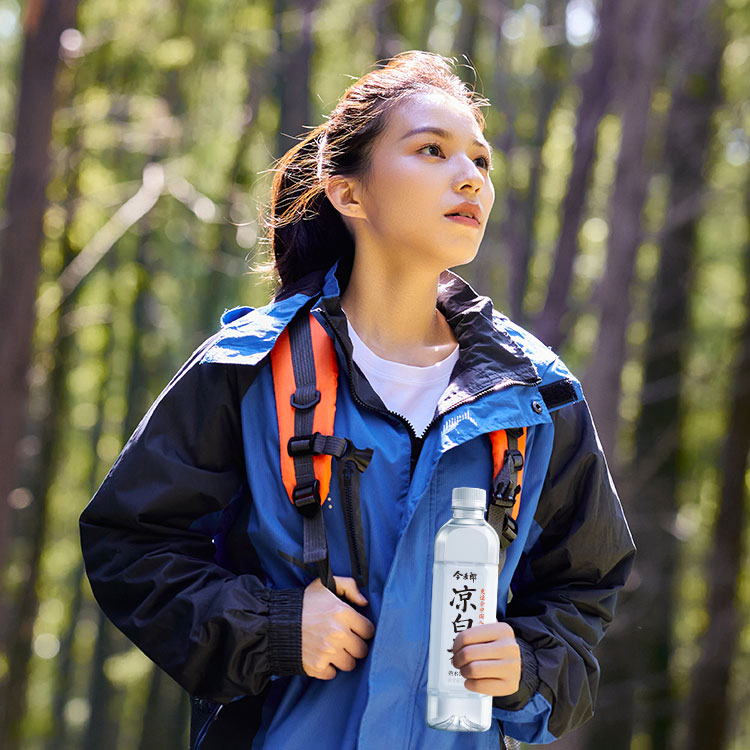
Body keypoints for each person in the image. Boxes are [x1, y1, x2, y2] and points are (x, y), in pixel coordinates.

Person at [79, 50, 635, 750]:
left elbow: (587, 583)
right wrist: (275, 628)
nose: (470, 177)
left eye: (481, 161)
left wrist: (530, 665)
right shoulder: (250, 367)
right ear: (349, 193)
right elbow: (131, 544)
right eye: (431, 150)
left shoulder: (538, 394)